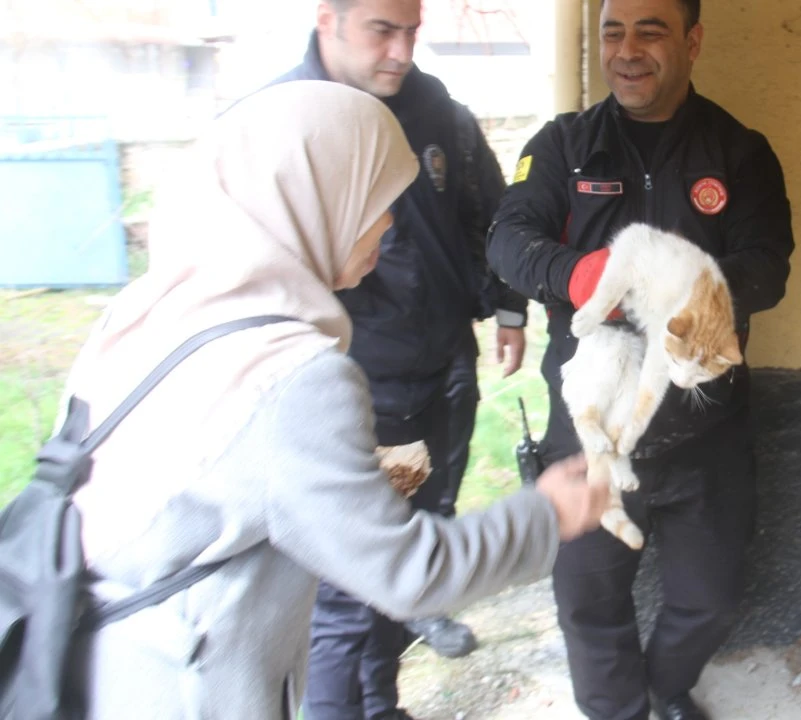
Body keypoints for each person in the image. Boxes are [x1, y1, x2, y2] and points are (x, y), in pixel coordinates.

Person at [58, 80, 608, 720]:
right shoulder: (293, 377)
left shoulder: (148, 314)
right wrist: (545, 513)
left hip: (92, 669)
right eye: (374, 199)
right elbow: (407, 573)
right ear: (312, 199)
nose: (391, 223)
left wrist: (353, 478)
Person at [485, 0, 794, 718]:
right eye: (612, 32)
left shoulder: (741, 151)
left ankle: (665, 688)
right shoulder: (562, 146)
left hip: (706, 427)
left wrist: (688, 292)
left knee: (710, 600)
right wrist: (579, 277)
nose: (626, 51)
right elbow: (508, 238)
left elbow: (769, 265)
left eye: (649, 32)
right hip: (591, 427)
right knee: (588, 605)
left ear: (693, 40)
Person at [262, 0, 528, 716]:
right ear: (329, 19)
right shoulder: (281, 123)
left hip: (443, 371)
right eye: (382, 30)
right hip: (349, 389)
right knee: (345, 596)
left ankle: (382, 703)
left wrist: (505, 303)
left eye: (412, 31)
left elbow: (489, 209)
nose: (402, 51)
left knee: (415, 554)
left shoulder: (435, 109)